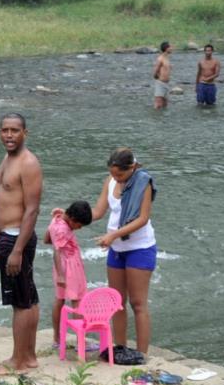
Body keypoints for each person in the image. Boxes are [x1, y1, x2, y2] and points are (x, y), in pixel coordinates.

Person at [0, 113, 42, 375]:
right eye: (5, 130)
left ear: (25, 133)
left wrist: (17, 249)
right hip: (6, 235)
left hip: (17, 238)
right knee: (28, 297)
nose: (9, 135)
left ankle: (17, 361)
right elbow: (3, 198)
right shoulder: (7, 159)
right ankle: (29, 357)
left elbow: (32, 209)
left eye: (15, 131)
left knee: (21, 303)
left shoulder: (28, 163)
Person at [90, 148, 157, 354]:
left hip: (140, 248)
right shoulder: (110, 181)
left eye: (120, 175)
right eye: (112, 173)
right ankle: (120, 348)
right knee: (117, 302)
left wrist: (113, 235)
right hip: (117, 249)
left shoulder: (142, 183)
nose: (116, 178)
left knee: (138, 303)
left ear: (132, 168)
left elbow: (142, 219)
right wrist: (71, 215)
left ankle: (142, 354)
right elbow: (98, 212)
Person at [43, 201, 92, 350]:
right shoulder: (63, 229)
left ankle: (57, 339)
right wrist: (61, 276)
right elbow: (56, 252)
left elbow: (46, 240)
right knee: (78, 301)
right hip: (69, 267)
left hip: (62, 268)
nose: (79, 228)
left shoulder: (57, 219)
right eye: (79, 225)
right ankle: (81, 340)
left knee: (60, 300)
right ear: (72, 219)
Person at [153, 41, 173, 110]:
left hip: (166, 84)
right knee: (158, 104)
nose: (172, 48)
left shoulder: (167, 58)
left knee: (165, 104)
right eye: (170, 47)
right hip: (160, 83)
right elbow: (155, 72)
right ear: (166, 48)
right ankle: (156, 119)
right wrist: (159, 80)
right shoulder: (160, 58)